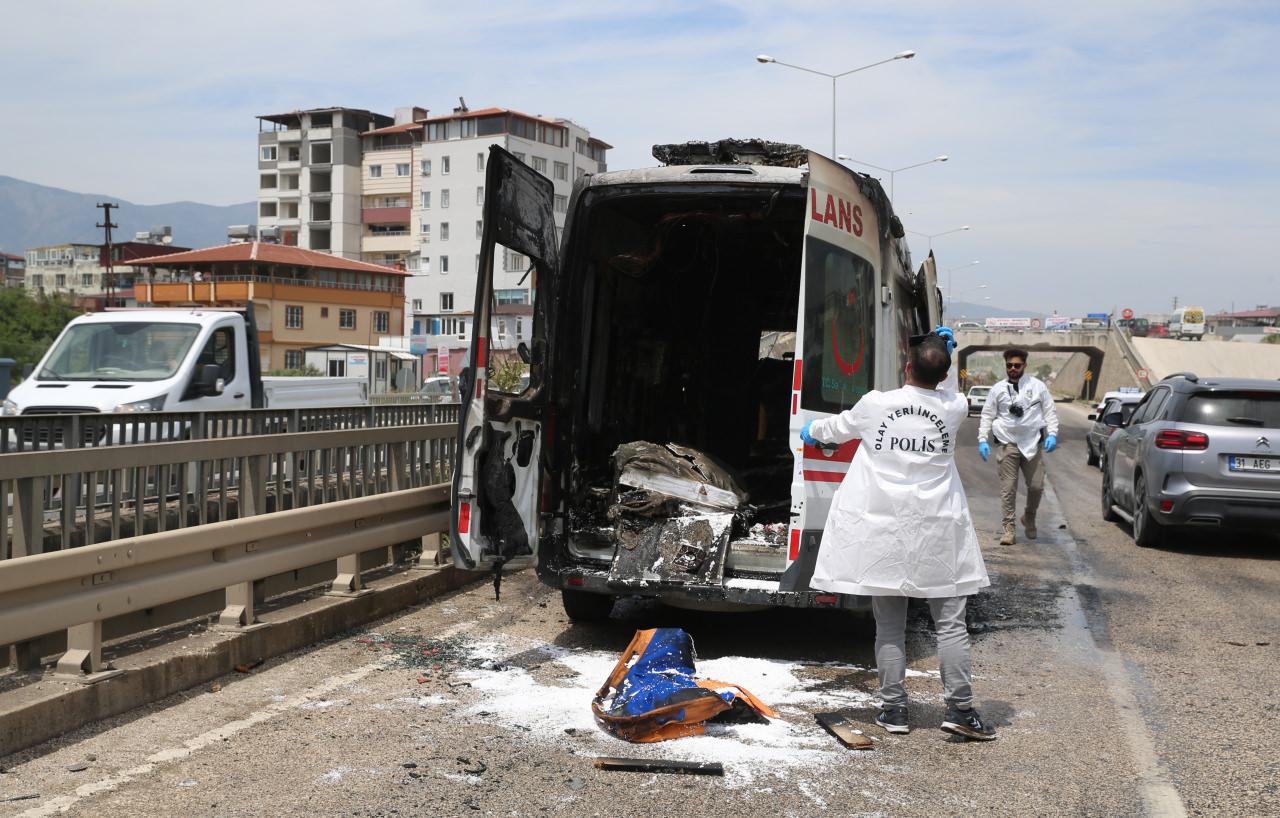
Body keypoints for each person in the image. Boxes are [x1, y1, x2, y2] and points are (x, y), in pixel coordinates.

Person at [801, 328, 996, 741]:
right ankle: (960, 710)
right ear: (942, 376)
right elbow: (950, 386)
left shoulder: (876, 404)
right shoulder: (954, 408)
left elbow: (834, 429)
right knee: (950, 625)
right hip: (939, 532)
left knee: (889, 626)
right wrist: (949, 352)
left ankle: (894, 710)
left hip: (884, 531)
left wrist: (811, 432)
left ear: (906, 367)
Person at [976, 347, 1060, 545]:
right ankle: (1009, 529)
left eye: (1017, 365)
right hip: (1007, 444)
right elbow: (987, 414)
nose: (1013, 368)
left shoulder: (1038, 387)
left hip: (1032, 444)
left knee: (1037, 486)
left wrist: (1053, 434)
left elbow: (1050, 411)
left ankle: (1029, 516)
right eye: (1009, 365)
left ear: (1024, 366)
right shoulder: (997, 389)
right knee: (1008, 489)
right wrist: (982, 439)